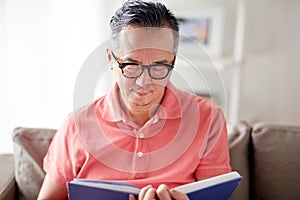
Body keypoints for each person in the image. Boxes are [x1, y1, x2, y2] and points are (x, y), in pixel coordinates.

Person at [37, 0, 231, 199]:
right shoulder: (76, 125)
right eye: (131, 64)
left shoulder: (208, 118)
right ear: (111, 60)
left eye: (159, 66)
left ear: (173, 61)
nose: (143, 81)